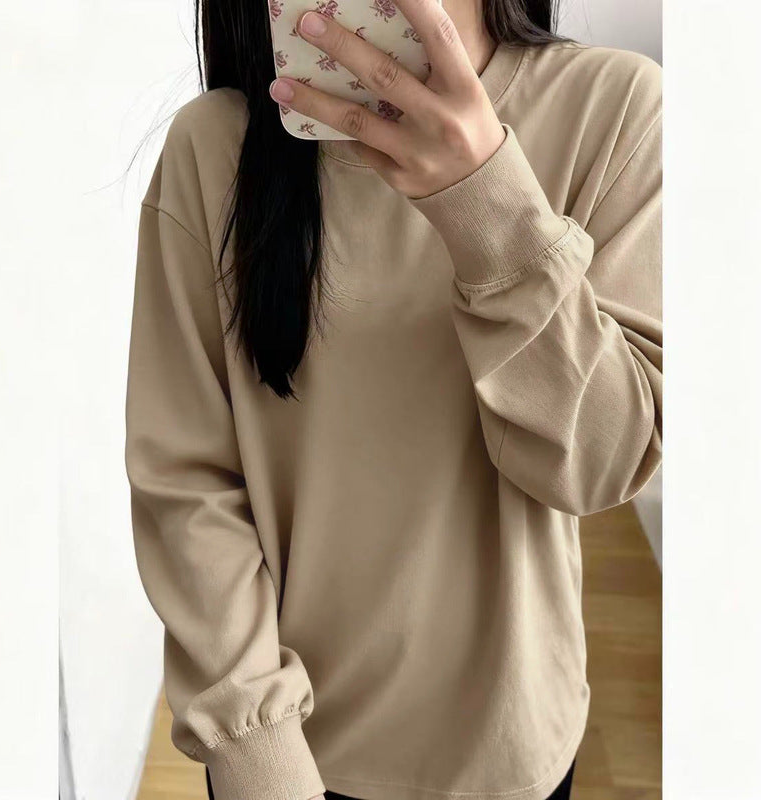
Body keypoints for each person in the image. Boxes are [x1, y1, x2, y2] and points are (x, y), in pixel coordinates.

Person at [123, 0, 662, 796]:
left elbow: (601, 463)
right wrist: (260, 758)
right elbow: (187, 482)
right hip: (287, 758)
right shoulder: (212, 146)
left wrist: (487, 197)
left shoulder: (614, 109)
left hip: (509, 750)